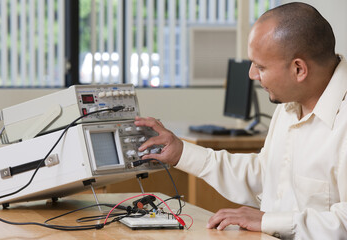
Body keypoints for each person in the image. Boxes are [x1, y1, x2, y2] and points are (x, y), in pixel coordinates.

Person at [135, 2, 347, 239]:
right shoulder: (290, 105)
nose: (251, 75)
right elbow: (266, 175)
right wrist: (181, 153)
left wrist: (268, 220)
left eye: (260, 66)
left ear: (299, 69)